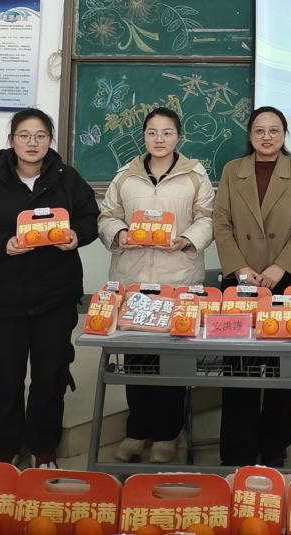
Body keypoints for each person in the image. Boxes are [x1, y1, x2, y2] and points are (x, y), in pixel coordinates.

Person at [0, 108, 99, 469]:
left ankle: (43, 446)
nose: (32, 143)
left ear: (50, 140)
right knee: (5, 375)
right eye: (24, 135)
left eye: (40, 135)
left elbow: (90, 218)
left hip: (56, 296)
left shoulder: (67, 180)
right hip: (4, 299)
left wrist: (77, 235)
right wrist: (2, 244)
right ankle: (3, 450)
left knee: (50, 374)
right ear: (11, 141)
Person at [98, 107, 215, 464]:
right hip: (134, 280)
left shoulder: (194, 175)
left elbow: (208, 218)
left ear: (178, 136)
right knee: (136, 360)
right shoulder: (126, 175)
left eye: (167, 133)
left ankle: (167, 433)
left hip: (178, 279)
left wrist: (187, 239)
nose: (159, 139)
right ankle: (137, 430)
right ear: (144, 136)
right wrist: (119, 233)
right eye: (152, 132)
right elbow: (107, 215)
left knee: (172, 361)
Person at [213, 106, 291, 467]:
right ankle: (237, 446)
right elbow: (221, 222)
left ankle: (274, 444)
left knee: (279, 363)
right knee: (237, 362)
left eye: (275, 130)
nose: (267, 137)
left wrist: (280, 267)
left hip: (284, 279)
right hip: (240, 279)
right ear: (250, 135)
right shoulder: (233, 170)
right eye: (260, 130)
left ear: (285, 135)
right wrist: (240, 268)